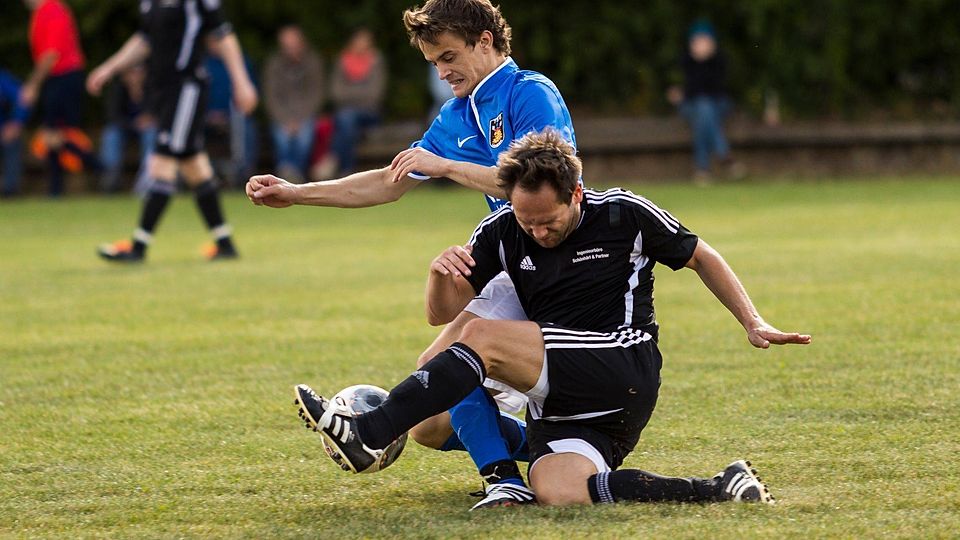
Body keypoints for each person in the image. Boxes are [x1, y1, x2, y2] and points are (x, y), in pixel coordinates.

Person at [294, 128, 811, 507]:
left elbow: (702, 256)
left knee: (481, 338)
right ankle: (720, 489)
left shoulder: (623, 214)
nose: (537, 232)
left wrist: (752, 320)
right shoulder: (503, 231)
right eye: (526, 221)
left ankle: (371, 431)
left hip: (621, 363)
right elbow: (441, 315)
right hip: (567, 405)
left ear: (577, 194)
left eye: (549, 221)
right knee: (560, 492)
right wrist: (437, 274)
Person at [247, 0, 576, 510]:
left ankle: (501, 479)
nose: (442, 72)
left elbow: (539, 183)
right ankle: (538, 454)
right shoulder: (458, 114)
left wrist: (444, 166)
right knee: (427, 423)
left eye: (448, 57)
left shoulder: (530, 93)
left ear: (484, 42)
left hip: (563, 256)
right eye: (434, 63)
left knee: (441, 365)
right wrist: (296, 192)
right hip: (511, 260)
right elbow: (387, 181)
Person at [87, 0, 258, 263]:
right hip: (163, 92)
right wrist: (110, 68)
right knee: (194, 167)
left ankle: (138, 248)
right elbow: (144, 39)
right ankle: (225, 244)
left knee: (161, 162)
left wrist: (241, 81)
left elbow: (222, 34)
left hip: (187, 88)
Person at [22, 0, 101, 197]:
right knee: (55, 134)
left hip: (65, 76)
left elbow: (51, 54)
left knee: (56, 133)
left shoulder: (53, 10)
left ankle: (99, 167)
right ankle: (56, 189)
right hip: (57, 78)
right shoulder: (42, 12)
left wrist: (33, 85)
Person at [666, 19, 743, 183]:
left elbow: (713, 89)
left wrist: (703, 63)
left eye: (705, 41)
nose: (701, 45)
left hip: (718, 104)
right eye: (697, 41)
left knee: (704, 112)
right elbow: (690, 92)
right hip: (691, 106)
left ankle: (702, 169)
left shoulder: (720, 61)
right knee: (703, 110)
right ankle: (724, 155)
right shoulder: (685, 61)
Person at [264, 24, 324, 182]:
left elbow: (315, 95)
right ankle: (287, 173)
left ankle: (292, 174)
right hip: (282, 117)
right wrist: (285, 120)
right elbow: (271, 97)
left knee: (304, 137)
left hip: (305, 115)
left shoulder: (312, 62)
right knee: (282, 138)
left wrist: (300, 119)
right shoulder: (274, 64)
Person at [329, 28, 386, 175]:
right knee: (347, 122)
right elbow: (336, 93)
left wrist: (350, 93)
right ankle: (345, 169)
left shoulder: (376, 61)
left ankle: (340, 165)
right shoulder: (343, 61)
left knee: (345, 119)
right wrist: (361, 92)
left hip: (370, 113)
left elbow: (374, 93)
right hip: (346, 114)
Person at [97, 63, 156, 194]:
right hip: (125, 128)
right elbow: (112, 116)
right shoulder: (117, 90)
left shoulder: (151, 89)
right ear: (124, 76)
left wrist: (149, 118)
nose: (136, 76)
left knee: (151, 134)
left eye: (139, 72)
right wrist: (133, 123)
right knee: (111, 134)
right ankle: (111, 176)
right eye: (132, 73)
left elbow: (158, 111)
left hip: (146, 129)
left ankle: (148, 177)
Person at [204, 52, 259, 188]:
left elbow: (249, 98)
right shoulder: (203, 63)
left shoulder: (242, 62)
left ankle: (241, 172)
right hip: (205, 114)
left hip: (233, 114)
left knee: (244, 125)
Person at [0, 69, 30, 198]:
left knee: (12, 142)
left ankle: (9, 191)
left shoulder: (2, 79)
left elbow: (24, 98)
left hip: (3, 130)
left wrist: (16, 123)